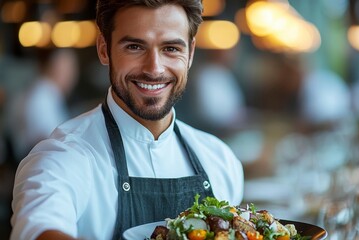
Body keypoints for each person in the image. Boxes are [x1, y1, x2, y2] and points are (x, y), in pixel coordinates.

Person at [10, 1, 244, 239]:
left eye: (171, 48)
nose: (154, 69)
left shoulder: (220, 161)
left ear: (190, 53)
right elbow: (38, 229)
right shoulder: (63, 156)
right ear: (104, 49)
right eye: (134, 46)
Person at [5, 48, 79, 162]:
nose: (72, 76)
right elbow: (47, 138)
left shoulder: (50, 93)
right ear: (54, 68)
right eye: (68, 69)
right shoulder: (41, 96)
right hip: (39, 163)